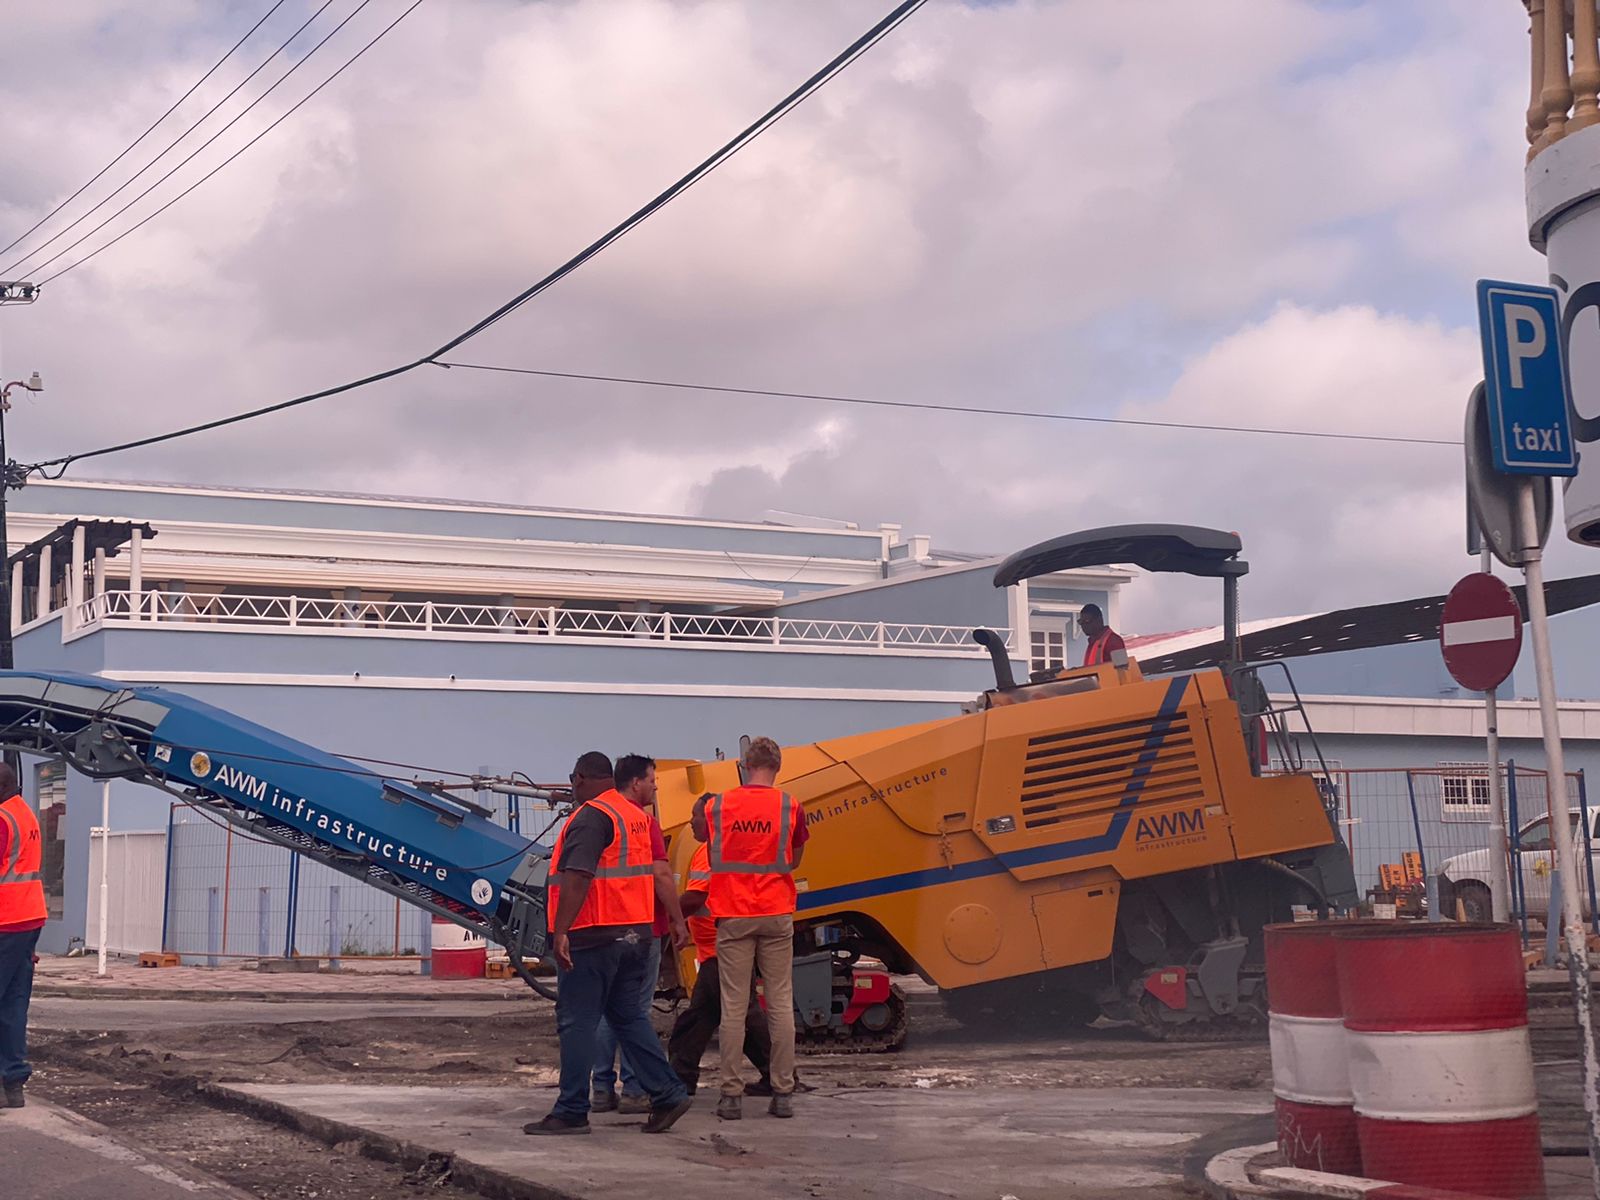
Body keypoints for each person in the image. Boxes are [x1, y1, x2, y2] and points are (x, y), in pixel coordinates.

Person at [525, 752, 692, 1136]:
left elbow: (578, 874)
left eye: (572, 780)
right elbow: (654, 872)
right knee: (627, 1016)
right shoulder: (636, 818)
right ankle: (667, 1093)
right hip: (633, 935)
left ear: (581, 778)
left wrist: (562, 930)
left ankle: (571, 1110)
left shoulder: (591, 817)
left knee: (577, 1020)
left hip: (595, 934)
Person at [694, 736, 808, 1121]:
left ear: (745, 764)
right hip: (776, 911)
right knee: (779, 1003)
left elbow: (712, 853)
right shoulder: (791, 806)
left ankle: (731, 1096)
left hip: (734, 913)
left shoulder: (719, 806)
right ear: (777, 767)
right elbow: (794, 857)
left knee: (733, 1007)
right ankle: (783, 1093)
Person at [590, 753, 671, 1115]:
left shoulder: (600, 818)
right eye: (652, 778)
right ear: (636, 782)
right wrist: (679, 920)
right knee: (635, 1011)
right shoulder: (643, 822)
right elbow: (661, 875)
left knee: (607, 1010)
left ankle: (601, 1088)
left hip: (607, 928)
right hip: (643, 927)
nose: (656, 784)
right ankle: (636, 1090)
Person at [665, 840, 775, 1096]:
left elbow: (696, 897)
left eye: (696, 816)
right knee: (705, 1015)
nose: (692, 823)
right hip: (720, 947)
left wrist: (666, 914)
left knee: (737, 1016)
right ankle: (683, 1075)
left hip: (722, 948)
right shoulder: (724, 849)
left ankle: (778, 1074)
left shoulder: (708, 852)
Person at [0, 764, 45, 1110]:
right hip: (28, 918)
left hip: (5, 919)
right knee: (14, 1003)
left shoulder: (2, 818)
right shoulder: (25, 814)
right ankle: (13, 1084)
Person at [1079, 603, 1126, 667]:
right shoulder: (1093, 643)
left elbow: (1123, 669)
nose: (1083, 625)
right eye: (1081, 622)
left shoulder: (1113, 640)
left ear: (1099, 620)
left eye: (1087, 621)